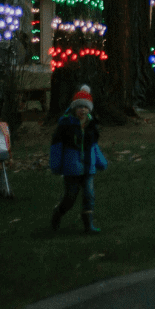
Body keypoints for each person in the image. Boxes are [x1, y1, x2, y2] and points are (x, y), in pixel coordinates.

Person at [49, 86, 107, 234]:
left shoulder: (91, 125)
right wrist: (56, 164)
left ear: (89, 109)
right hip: (71, 168)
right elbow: (57, 146)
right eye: (80, 107)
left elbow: (93, 146)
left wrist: (100, 161)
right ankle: (58, 212)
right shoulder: (66, 125)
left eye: (86, 107)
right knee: (70, 196)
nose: (83, 110)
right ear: (74, 108)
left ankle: (89, 224)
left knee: (89, 195)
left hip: (88, 167)